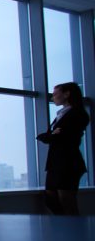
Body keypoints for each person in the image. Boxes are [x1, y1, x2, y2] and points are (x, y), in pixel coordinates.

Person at [38, 82, 90, 215]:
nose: (52, 97)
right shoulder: (61, 115)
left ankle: (73, 231)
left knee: (66, 201)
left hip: (68, 162)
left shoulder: (78, 114)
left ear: (67, 94)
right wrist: (52, 135)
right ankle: (67, 229)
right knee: (51, 198)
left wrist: (51, 135)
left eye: (55, 94)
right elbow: (47, 136)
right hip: (56, 163)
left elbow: (60, 137)